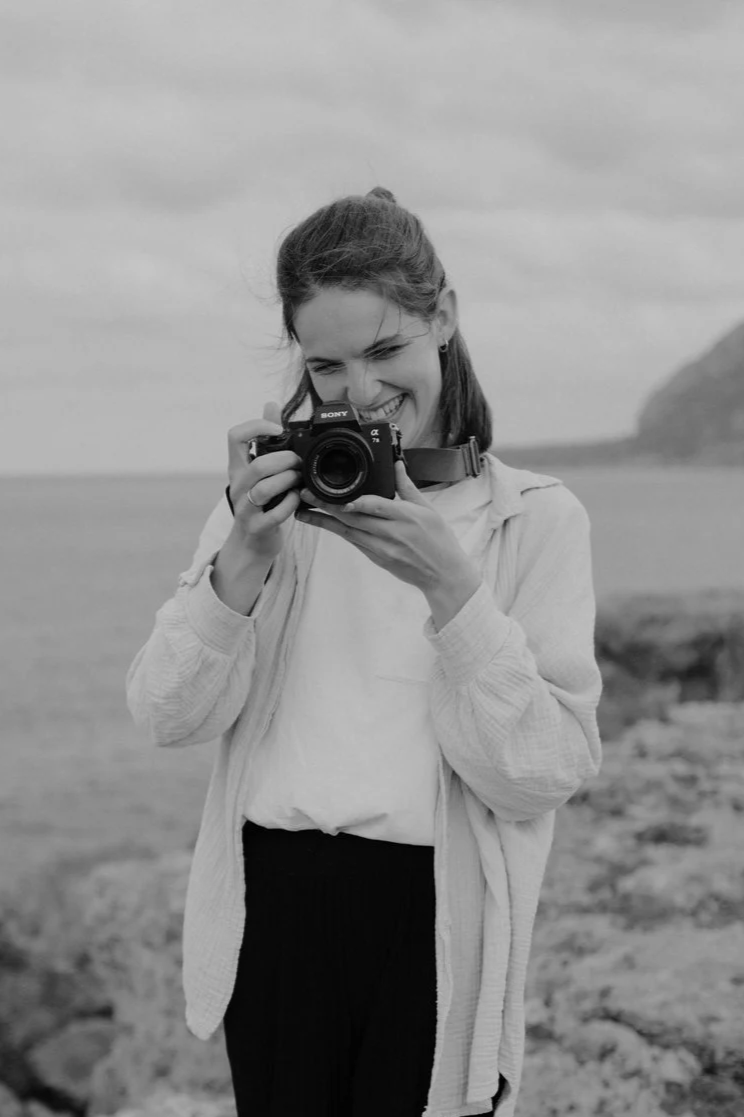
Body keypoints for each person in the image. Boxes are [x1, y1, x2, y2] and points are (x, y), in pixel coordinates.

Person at [126, 186, 603, 1117]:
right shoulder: (264, 513)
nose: (362, 392)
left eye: (387, 350)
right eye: (328, 365)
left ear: (445, 319)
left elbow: (544, 773)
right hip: (279, 903)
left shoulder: (536, 520)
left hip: (433, 915)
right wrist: (243, 560)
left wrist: (453, 593)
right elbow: (164, 713)